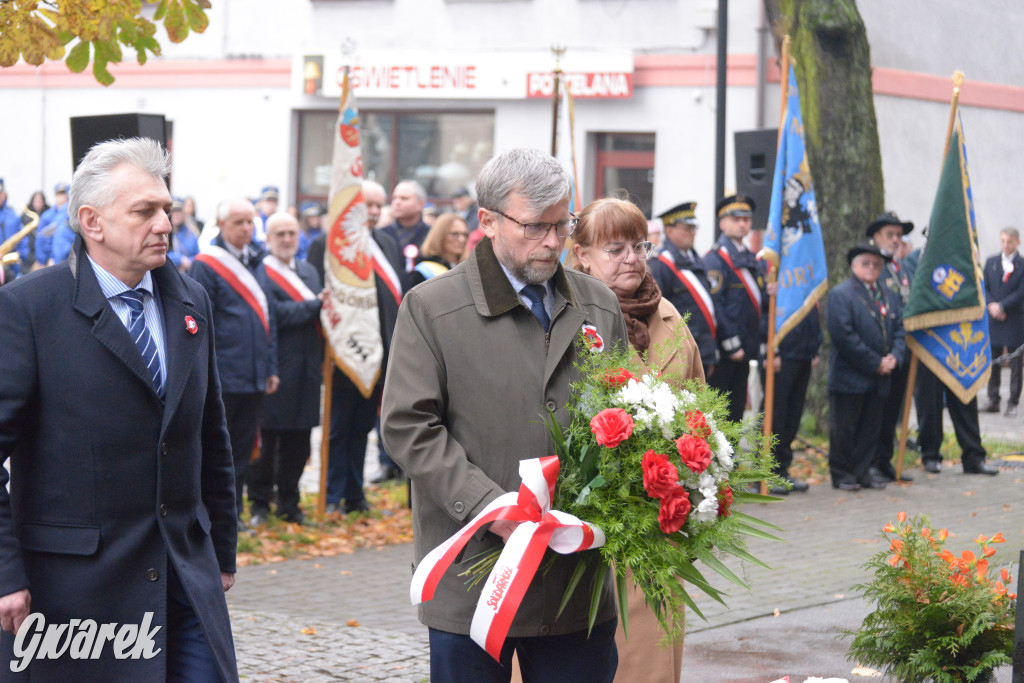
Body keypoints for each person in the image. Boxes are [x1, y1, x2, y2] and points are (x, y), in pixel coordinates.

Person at [381, 148, 628, 683]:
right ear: (487, 221)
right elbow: (408, 427)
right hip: (473, 578)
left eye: (564, 224)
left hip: (574, 583)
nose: (554, 242)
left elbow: (626, 417)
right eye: (535, 227)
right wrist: (488, 506)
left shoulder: (600, 305)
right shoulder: (432, 309)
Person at [0, 138, 238, 679]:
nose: (163, 223)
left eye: (167, 209)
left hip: (184, 578)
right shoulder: (28, 309)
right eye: (144, 211)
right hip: (76, 593)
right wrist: (4, 575)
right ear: (92, 222)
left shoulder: (189, 299)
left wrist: (220, 548)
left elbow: (209, 430)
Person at [571, 196, 702, 683]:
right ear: (582, 254)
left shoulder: (666, 314)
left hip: (658, 522)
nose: (632, 258)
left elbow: (700, 408)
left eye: (639, 246)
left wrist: (699, 482)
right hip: (589, 523)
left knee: (648, 656)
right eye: (615, 248)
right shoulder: (565, 316)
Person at [307, 182, 405, 507]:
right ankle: (332, 494)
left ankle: (355, 493)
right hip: (343, 351)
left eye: (380, 206)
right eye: (369, 206)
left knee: (364, 425)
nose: (375, 212)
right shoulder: (327, 244)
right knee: (337, 427)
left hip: (380, 352)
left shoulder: (388, 244)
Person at [189, 198, 280, 527]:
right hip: (226, 373)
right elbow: (201, 322)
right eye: (238, 222)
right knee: (219, 450)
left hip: (255, 374)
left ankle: (234, 512)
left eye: (250, 222)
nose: (246, 229)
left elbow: (267, 317)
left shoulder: (257, 260)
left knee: (243, 448)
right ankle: (215, 513)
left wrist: (271, 367)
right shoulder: (207, 263)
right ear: (221, 224)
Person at [251, 213, 325, 526]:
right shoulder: (261, 271)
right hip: (277, 368)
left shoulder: (308, 270)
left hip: (308, 369)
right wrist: (314, 306)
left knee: (299, 443)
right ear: (268, 238)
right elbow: (275, 312)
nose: (286, 239)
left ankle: (289, 504)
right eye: (279, 234)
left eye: (291, 233)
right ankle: (259, 505)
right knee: (268, 443)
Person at [826, 242, 905, 491]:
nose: (871, 268)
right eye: (866, 263)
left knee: (871, 429)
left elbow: (900, 330)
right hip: (850, 377)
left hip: (880, 378)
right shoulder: (841, 294)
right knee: (845, 430)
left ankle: (863, 472)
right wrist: (876, 363)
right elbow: (845, 338)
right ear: (854, 266)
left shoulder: (888, 295)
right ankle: (842, 474)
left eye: (876, 264)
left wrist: (894, 357)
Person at [702, 194, 766, 423]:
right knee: (719, 413)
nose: (742, 224)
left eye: (746, 219)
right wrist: (732, 344)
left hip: (747, 348)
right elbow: (715, 305)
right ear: (723, 223)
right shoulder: (715, 259)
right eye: (736, 218)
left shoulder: (750, 258)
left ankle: (734, 459)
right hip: (725, 352)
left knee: (737, 412)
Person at [866, 211, 915, 483]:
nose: (896, 240)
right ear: (876, 237)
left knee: (893, 412)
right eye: (890, 234)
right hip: (881, 353)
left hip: (902, 351)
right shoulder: (874, 266)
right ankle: (871, 462)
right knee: (877, 412)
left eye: (899, 235)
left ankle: (885, 461)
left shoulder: (902, 267)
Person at [649, 201, 718, 377]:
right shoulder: (661, 265)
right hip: (682, 350)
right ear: (669, 230)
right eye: (686, 228)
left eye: (694, 227)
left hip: (705, 348)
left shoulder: (695, 259)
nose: (692, 232)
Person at [762, 308, 820, 494]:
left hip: (803, 353)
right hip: (782, 354)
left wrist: (813, 347)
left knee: (792, 417)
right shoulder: (780, 281)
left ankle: (781, 470)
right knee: (775, 416)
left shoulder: (803, 281)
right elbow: (766, 316)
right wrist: (770, 351)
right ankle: (763, 474)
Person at [982, 227, 1024, 417]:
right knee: (993, 359)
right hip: (994, 318)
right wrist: (992, 305)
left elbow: (1021, 292)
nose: (1006, 245)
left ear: (1018, 242)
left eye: (1010, 241)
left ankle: (1013, 401)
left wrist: (1003, 307)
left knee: (1015, 362)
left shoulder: (1022, 265)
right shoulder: (991, 262)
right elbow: (985, 286)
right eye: (1003, 241)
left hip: (1014, 318)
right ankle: (993, 399)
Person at [380, 179, 430, 271]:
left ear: (420, 204)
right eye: (394, 198)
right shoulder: (382, 235)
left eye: (404, 198)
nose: (397, 202)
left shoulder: (431, 235)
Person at [408, 212, 469, 287]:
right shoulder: (424, 271)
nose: (462, 239)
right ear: (439, 236)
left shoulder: (468, 267)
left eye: (465, 234)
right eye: (454, 234)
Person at [0, 178, 30, 276]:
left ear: (4, 195)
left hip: (11, 268)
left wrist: (21, 254)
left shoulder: (13, 216)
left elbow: (23, 239)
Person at [167, 197, 200, 273]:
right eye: (173, 212)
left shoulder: (191, 234)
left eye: (179, 211)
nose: (176, 215)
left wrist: (188, 261)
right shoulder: (165, 233)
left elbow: (198, 256)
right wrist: (179, 259)